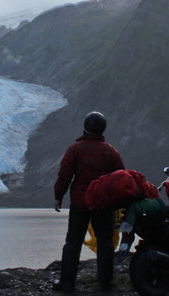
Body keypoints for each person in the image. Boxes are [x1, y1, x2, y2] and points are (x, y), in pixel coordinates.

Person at [53, 111, 125, 292]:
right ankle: (105, 284)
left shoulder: (75, 149)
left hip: (80, 202)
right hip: (102, 203)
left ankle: (67, 283)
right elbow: (120, 177)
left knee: (73, 242)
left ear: (85, 127)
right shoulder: (110, 151)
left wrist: (58, 196)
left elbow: (65, 175)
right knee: (105, 243)